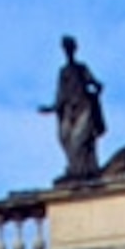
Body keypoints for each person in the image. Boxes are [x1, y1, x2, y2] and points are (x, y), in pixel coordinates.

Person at [41, 36, 106, 182]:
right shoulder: (63, 72)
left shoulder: (81, 68)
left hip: (83, 107)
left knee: (79, 139)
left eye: (69, 48)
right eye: (65, 48)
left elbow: (96, 84)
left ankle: (81, 172)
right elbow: (60, 94)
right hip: (68, 110)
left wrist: (95, 93)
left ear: (74, 49)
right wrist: (51, 108)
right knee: (64, 138)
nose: (67, 51)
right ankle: (75, 168)